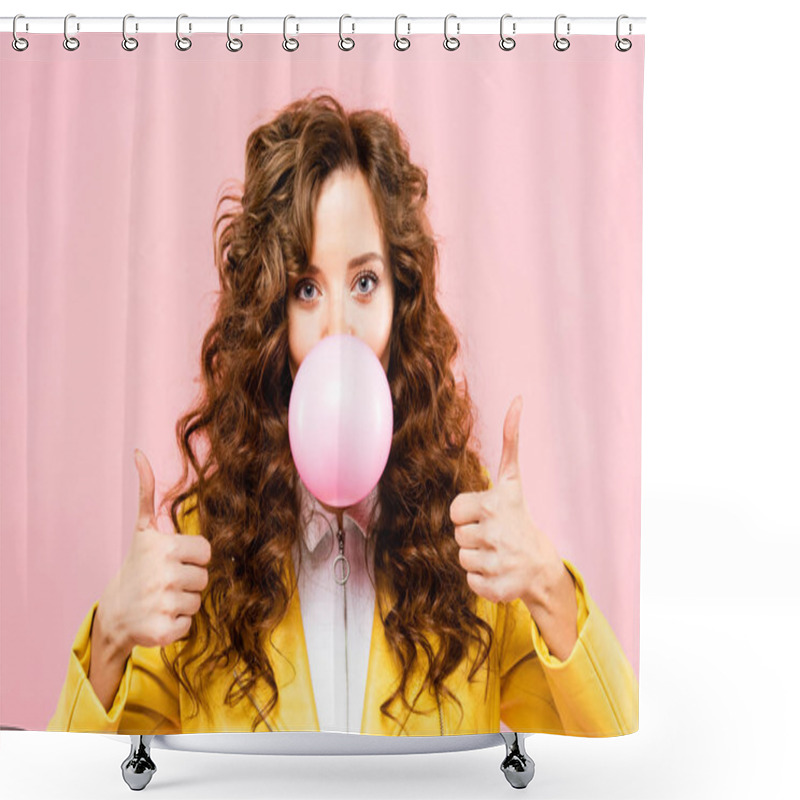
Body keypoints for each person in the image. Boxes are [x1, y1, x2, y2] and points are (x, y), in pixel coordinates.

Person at [48, 92, 638, 737]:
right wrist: (109, 636)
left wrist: (548, 586)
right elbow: (81, 783)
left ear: (400, 299)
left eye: (364, 282)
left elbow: (619, 764)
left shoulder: (472, 545)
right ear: (271, 314)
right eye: (306, 288)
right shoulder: (199, 554)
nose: (338, 329)